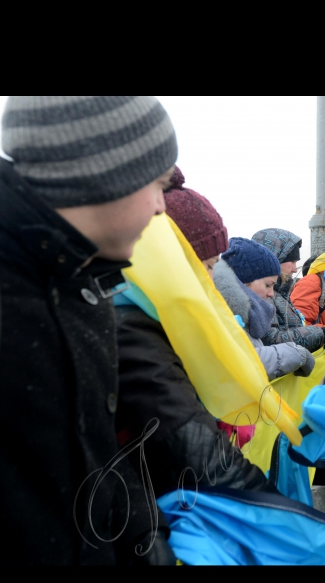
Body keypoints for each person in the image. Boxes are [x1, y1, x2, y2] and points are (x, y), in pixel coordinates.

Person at [0, 96, 178, 565]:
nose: (164, 209)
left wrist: (146, 539)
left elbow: (93, 454)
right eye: (159, 185)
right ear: (107, 173)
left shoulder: (85, 285)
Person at [114, 168, 271, 501]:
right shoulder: (135, 329)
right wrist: (282, 513)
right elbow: (194, 445)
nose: (211, 279)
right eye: (209, 264)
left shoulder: (162, 321)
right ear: (170, 260)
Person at [214, 237, 315, 381]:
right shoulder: (223, 312)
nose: (271, 293)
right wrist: (296, 353)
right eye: (268, 285)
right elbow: (242, 362)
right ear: (245, 281)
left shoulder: (242, 313)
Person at [251, 228, 325, 354]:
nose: (295, 269)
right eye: (292, 261)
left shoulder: (282, 295)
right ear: (274, 258)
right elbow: (271, 340)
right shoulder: (264, 296)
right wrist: (323, 333)